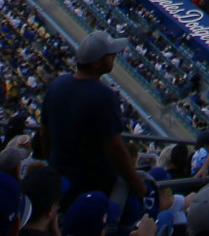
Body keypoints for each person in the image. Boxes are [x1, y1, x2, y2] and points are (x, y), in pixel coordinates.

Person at [42, 31, 151, 211]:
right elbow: (115, 150)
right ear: (96, 63)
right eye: (110, 55)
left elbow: (44, 134)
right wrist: (139, 186)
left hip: (59, 181)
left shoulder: (57, 85)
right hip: (92, 189)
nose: (114, 56)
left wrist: (53, 166)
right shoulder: (104, 96)